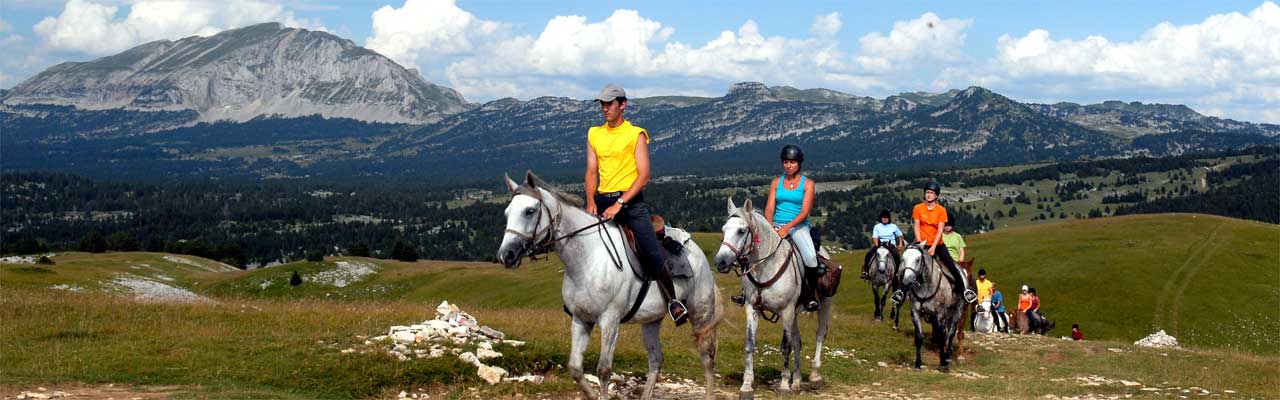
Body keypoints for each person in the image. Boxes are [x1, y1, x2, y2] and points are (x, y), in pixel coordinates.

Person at [585, 83, 687, 325]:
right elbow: (591, 172)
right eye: (602, 104)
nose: (605, 109)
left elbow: (644, 175)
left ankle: (673, 301)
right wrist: (590, 202)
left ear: (623, 104)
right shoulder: (593, 134)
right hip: (600, 200)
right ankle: (580, 301)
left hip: (630, 204)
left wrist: (619, 204)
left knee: (651, 251)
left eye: (610, 104)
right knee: (579, 245)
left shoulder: (636, 134)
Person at [892, 181, 977, 304]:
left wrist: (933, 247)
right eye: (927, 192)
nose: (929, 195)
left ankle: (964, 291)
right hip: (921, 242)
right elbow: (916, 225)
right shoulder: (918, 208)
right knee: (906, 262)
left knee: (952, 266)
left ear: (936, 196)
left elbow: (940, 230)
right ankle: (901, 292)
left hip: (937, 243)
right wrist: (919, 241)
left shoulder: (941, 210)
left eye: (932, 193)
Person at [765, 144, 822, 312]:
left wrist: (787, 228)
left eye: (792, 162)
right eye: (785, 162)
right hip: (776, 225)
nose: (788, 165)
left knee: (811, 258)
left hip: (798, 227)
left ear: (799, 164)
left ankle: (810, 296)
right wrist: (771, 227)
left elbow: (805, 211)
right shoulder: (776, 182)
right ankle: (747, 292)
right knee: (753, 250)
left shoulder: (808, 184)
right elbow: (769, 208)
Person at [862, 209, 904, 280]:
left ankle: (897, 273)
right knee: (868, 254)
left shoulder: (893, 226)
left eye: (886, 218)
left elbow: (900, 235)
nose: (885, 219)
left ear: (889, 218)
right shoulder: (877, 226)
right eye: (883, 217)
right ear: (881, 218)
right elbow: (875, 237)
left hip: (890, 245)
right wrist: (876, 245)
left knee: (897, 256)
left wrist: (900, 244)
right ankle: (866, 272)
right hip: (879, 244)